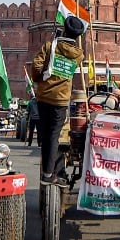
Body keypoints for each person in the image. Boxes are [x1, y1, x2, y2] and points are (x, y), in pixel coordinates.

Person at [26, 17, 86, 184]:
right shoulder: (78, 55)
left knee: (46, 136)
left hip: (44, 97)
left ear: (65, 30)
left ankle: (47, 172)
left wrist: (40, 79)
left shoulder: (49, 46)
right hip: (60, 101)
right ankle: (49, 172)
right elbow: (72, 51)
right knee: (53, 136)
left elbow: (36, 67)